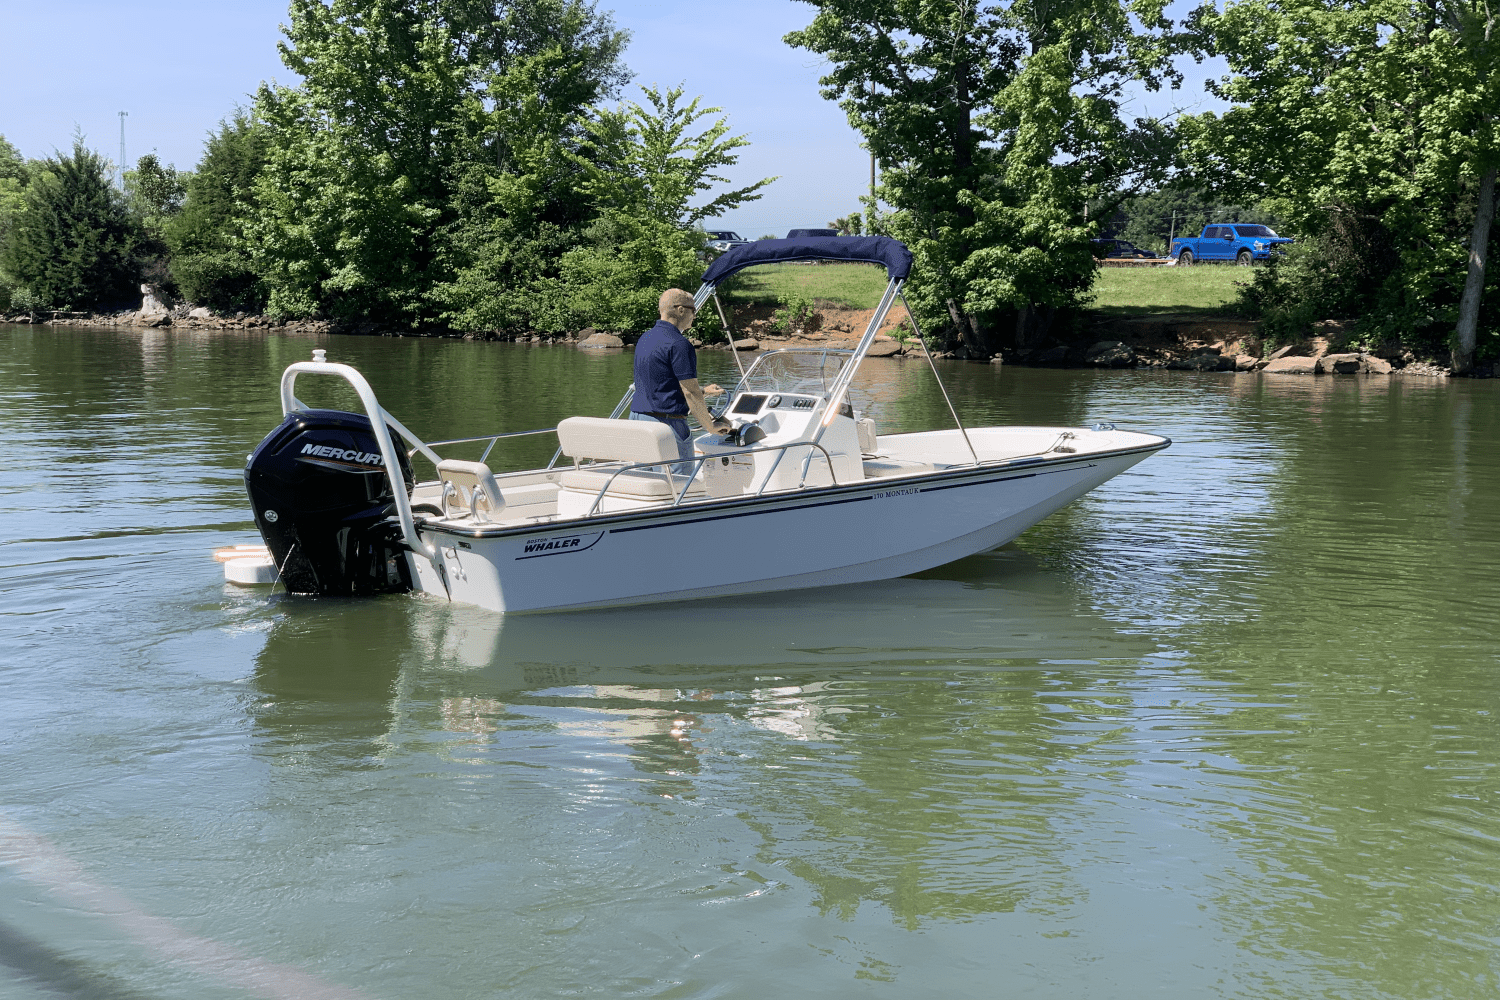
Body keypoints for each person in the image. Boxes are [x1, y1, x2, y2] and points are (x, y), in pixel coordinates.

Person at [629, 288, 731, 473]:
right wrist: (710, 426)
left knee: (647, 482)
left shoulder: (645, 338)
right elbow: (689, 392)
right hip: (666, 426)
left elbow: (659, 384)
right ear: (681, 310)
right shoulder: (679, 344)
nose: (694, 315)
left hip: (638, 422)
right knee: (678, 487)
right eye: (693, 310)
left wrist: (705, 392)